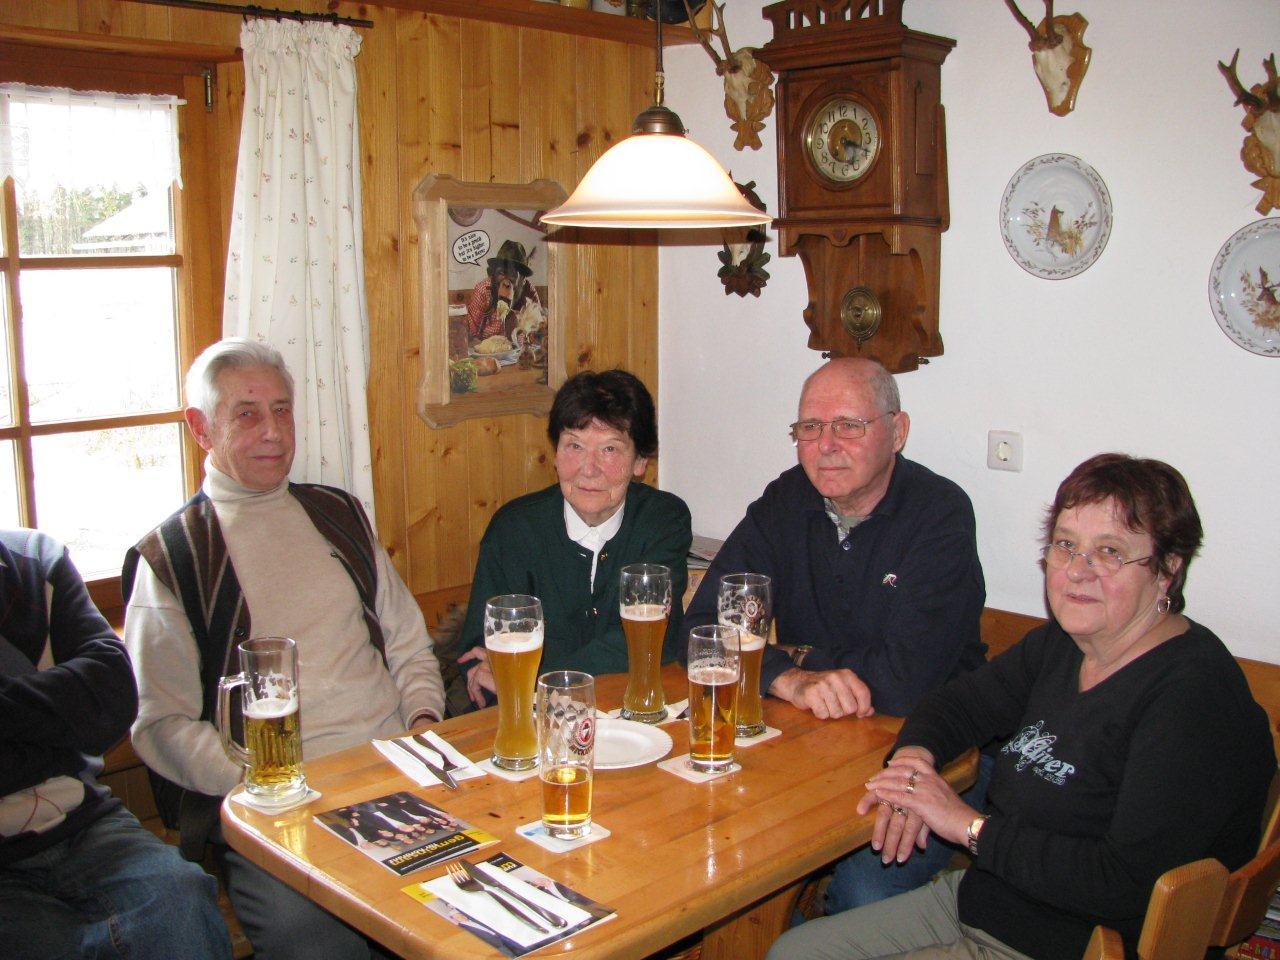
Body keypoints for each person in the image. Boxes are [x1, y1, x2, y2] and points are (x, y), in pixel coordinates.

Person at [767, 453, 1277, 960]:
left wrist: (966, 825)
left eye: (1110, 553)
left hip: (1076, 944)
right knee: (792, 952)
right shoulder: (1065, 645)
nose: (1077, 572)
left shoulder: (1193, 698)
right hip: (990, 903)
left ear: (1167, 570)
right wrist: (913, 761)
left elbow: (1124, 882)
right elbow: (959, 704)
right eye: (1065, 545)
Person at [122, 338, 446, 960]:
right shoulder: (175, 558)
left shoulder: (339, 514)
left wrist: (424, 725)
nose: (272, 431)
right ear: (200, 428)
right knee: (318, 940)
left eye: (282, 410)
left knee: (485, 906)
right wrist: (261, 781)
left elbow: (409, 644)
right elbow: (159, 725)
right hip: (279, 810)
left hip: (399, 775)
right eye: (246, 414)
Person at [684, 357, 987, 912]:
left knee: (860, 890)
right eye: (810, 427)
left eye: (849, 425)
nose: (826, 445)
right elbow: (701, 629)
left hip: (931, 745)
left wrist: (795, 656)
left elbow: (905, 683)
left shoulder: (939, 514)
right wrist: (789, 677)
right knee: (712, 836)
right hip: (813, 738)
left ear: (897, 431)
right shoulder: (787, 499)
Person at [0, 528, 230, 960]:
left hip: (80, 822)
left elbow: (112, 693)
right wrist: (52, 725)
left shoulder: (35, 560)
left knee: (182, 902)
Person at [457, 368, 691, 706]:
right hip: (528, 718)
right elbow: (481, 652)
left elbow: (648, 642)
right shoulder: (514, 530)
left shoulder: (662, 521)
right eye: (575, 446)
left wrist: (536, 678)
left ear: (640, 461)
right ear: (555, 453)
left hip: (631, 709)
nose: (589, 468)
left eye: (609, 449)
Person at [466, 239, 543, 343]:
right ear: (493, 275)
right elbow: (470, 334)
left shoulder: (528, 292)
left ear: (522, 280)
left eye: (512, 275)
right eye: (501, 273)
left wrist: (516, 320)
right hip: (485, 349)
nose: (506, 283)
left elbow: (539, 333)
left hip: (518, 350)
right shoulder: (483, 290)